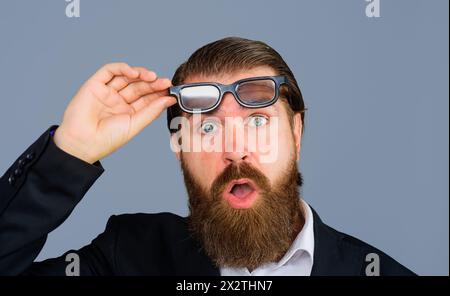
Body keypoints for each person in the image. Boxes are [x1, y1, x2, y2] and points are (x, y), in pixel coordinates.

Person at [0, 37, 415, 276]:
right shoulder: (128, 257)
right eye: (208, 128)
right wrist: (69, 153)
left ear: (296, 132)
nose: (235, 151)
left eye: (257, 122)